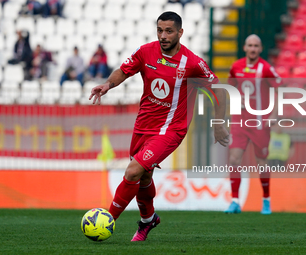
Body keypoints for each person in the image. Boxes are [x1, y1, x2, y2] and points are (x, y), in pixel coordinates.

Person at [89, 11, 229, 241]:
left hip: (171, 130)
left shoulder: (192, 63)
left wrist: (219, 123)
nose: (163, 36)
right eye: (159, 30)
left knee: (133, 170)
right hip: (143, 125)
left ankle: (105, 221)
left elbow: (219, 89)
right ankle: (148, 220)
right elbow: (124, 70)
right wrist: (108, 85)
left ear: (180, 33)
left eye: (169, 31)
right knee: (144, 177)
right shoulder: (146, 52)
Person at [224, 34, 281, 215]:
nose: (253, 48)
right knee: (234, 159)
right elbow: (230, 87)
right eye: (250, 45)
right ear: (245, 47)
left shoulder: (266, 69)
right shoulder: (236, 67)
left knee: (262, 162)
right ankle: (235, 201)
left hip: (259, 123)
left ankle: (266, 200)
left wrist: (274, 114)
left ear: (261, 49)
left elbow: (279, 90)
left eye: (256, 45)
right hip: (240, 121)